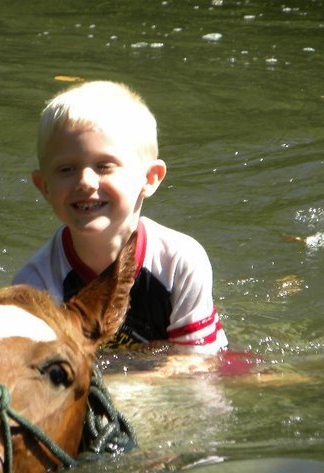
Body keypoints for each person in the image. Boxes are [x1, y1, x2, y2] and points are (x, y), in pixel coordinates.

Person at [12, 81, 227, 353]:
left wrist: (127, 390)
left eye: (104, 166)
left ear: (149, 179)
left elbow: (198, 368)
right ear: (44, 187)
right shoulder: (35, 284)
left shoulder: (179, 261)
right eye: (66, 169)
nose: (85, 181)